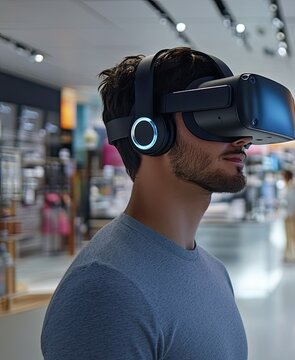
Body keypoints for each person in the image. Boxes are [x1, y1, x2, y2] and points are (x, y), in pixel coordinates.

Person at [41, 48, 254, 359]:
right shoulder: (104, 291)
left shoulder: (214, 270)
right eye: (214, 116)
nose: (242, 139)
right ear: (150, 131)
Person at [282, 169, 295, 262]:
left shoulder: (293, 188)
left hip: (292, 216)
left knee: (293, 235)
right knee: (288, 236)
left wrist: (294, 214)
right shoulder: (287, 187)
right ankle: (288, 254)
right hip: (287, 216)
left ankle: (294, 255)